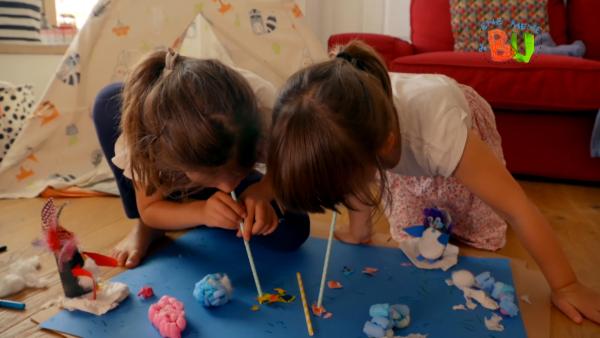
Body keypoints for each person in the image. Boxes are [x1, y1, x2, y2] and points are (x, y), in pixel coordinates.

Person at [266, 41, 600, 325]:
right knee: (414, 233)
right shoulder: (352, 134)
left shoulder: (439, 137)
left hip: (454, 126)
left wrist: (566, 284)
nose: (348, 191)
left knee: (481, 225)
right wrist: (359, 229)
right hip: (388, 142)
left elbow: (518, 209)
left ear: (383, 147)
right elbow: (352, 178)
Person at [93, 49, 309, 268]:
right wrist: (202, 212)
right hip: (172, 177)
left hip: (239, 176)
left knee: (292, 230)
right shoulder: (148, 131)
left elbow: (291, 161)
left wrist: (264, 190)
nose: (227, 187)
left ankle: (213, 214)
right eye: (213, 176)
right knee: (107, 101)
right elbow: (150, 208)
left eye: (236, 171)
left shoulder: (265, 105)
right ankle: (150, 228)